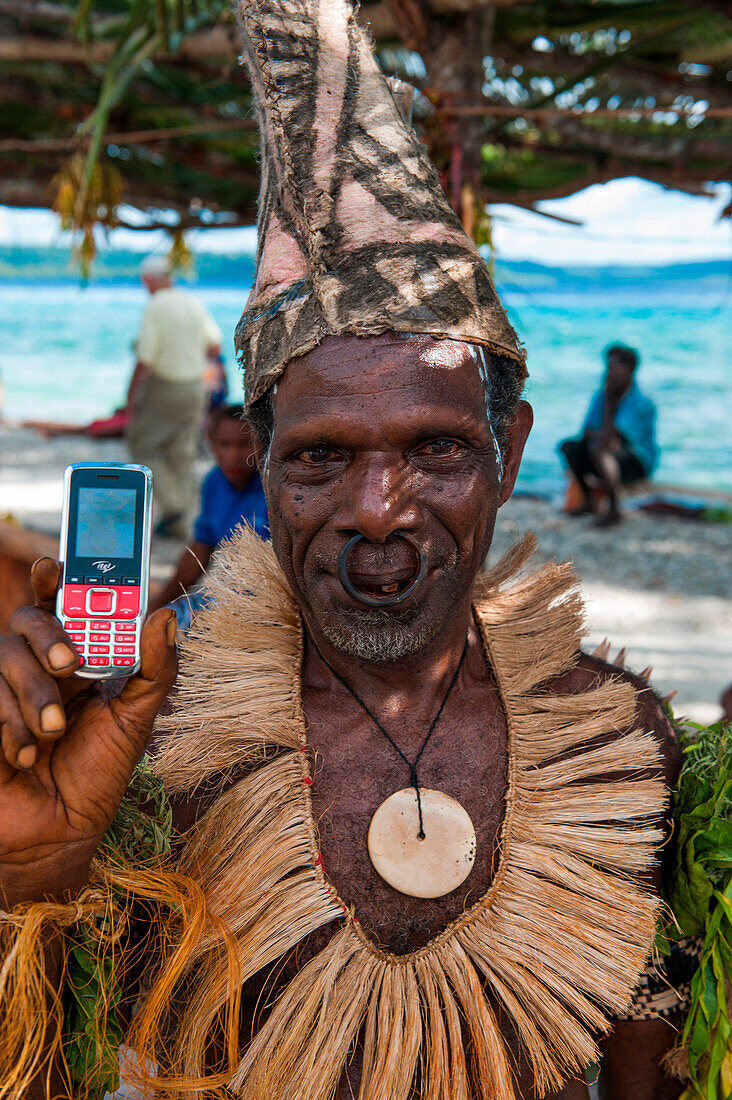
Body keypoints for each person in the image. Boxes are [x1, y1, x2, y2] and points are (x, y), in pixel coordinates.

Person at [0, 4, 683, 1099]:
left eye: (437, 448)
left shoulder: (617, 751)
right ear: (256, 464)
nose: (377, 507)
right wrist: (32, 879)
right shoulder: (153, 754)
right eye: (321, 457)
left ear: (509, 451)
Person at [125, 255, 223, 538]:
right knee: (181, 452)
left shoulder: (156, 306)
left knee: (141, 445)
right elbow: (214, 346)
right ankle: (179, 523)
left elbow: (145, 359)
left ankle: (175, 505)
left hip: (166, 385)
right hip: (195, 386)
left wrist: (131, 396)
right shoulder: (192, 301)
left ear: (149, 280)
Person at [149, 405, 269, 628]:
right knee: (163, 623)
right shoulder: (214, 482)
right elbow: (199, 552)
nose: (233, 455)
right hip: (231, 594)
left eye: (244, 445)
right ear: (212, 444)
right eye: (225, 445)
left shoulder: (273, 486)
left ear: (261, 445)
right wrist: (156, 605)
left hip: (270, 602)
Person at [559, 344, 658, 527]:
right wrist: (608, 402)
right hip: (605, 453)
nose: (608, 373)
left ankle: (614, 510)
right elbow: (587, 432)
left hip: (636, 460)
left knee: (600, 449)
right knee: (569, 447)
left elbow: (617, 435)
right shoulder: (600, 396)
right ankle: (588, 502)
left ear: (628, 370)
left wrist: (610, 401)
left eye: (612, 368)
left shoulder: (642, 402)